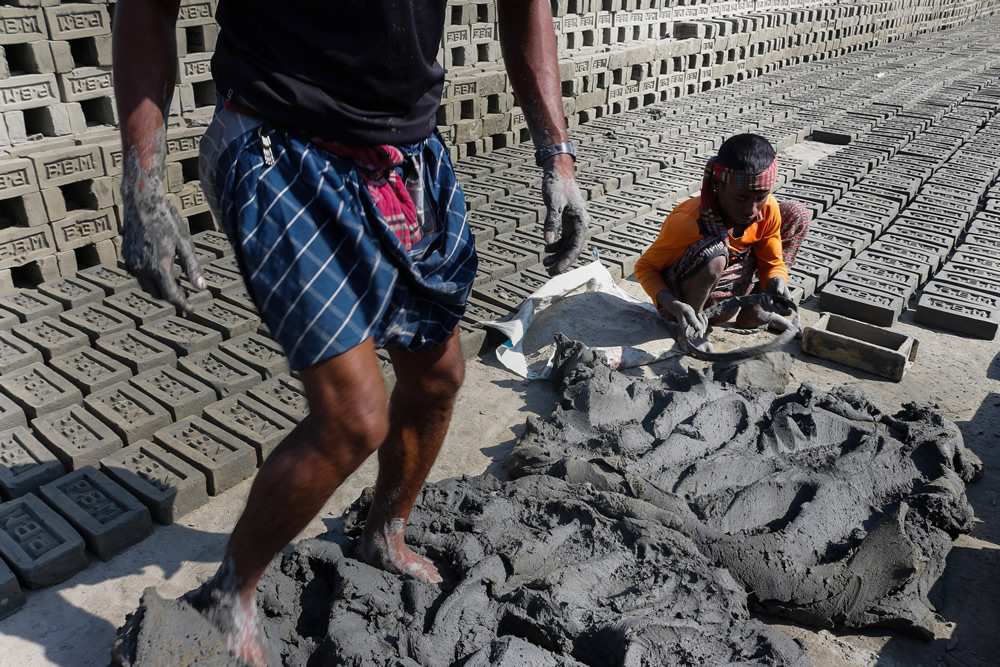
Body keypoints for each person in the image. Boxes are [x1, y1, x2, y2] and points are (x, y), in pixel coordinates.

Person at [112, 1, 590, 664]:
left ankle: (384, 532)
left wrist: (556, 156)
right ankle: (231, 593)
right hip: (278, 142)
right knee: (352, 417)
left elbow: (526, 5)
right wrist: (142, 177)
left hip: (407, 153)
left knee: (439, 376)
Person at [633, 133, 810, 350]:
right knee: (714, 254)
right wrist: (676, 306)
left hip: (735, 288)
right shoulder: (688, 221)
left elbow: (772, 260)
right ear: (717, 184)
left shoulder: (767, 209)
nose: (751, 209)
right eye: (741, 198)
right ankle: (690, 330)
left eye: (760, 197)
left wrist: (775, 279)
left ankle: (755, 313)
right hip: (688, 303)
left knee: (795, 213)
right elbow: (645, 267)